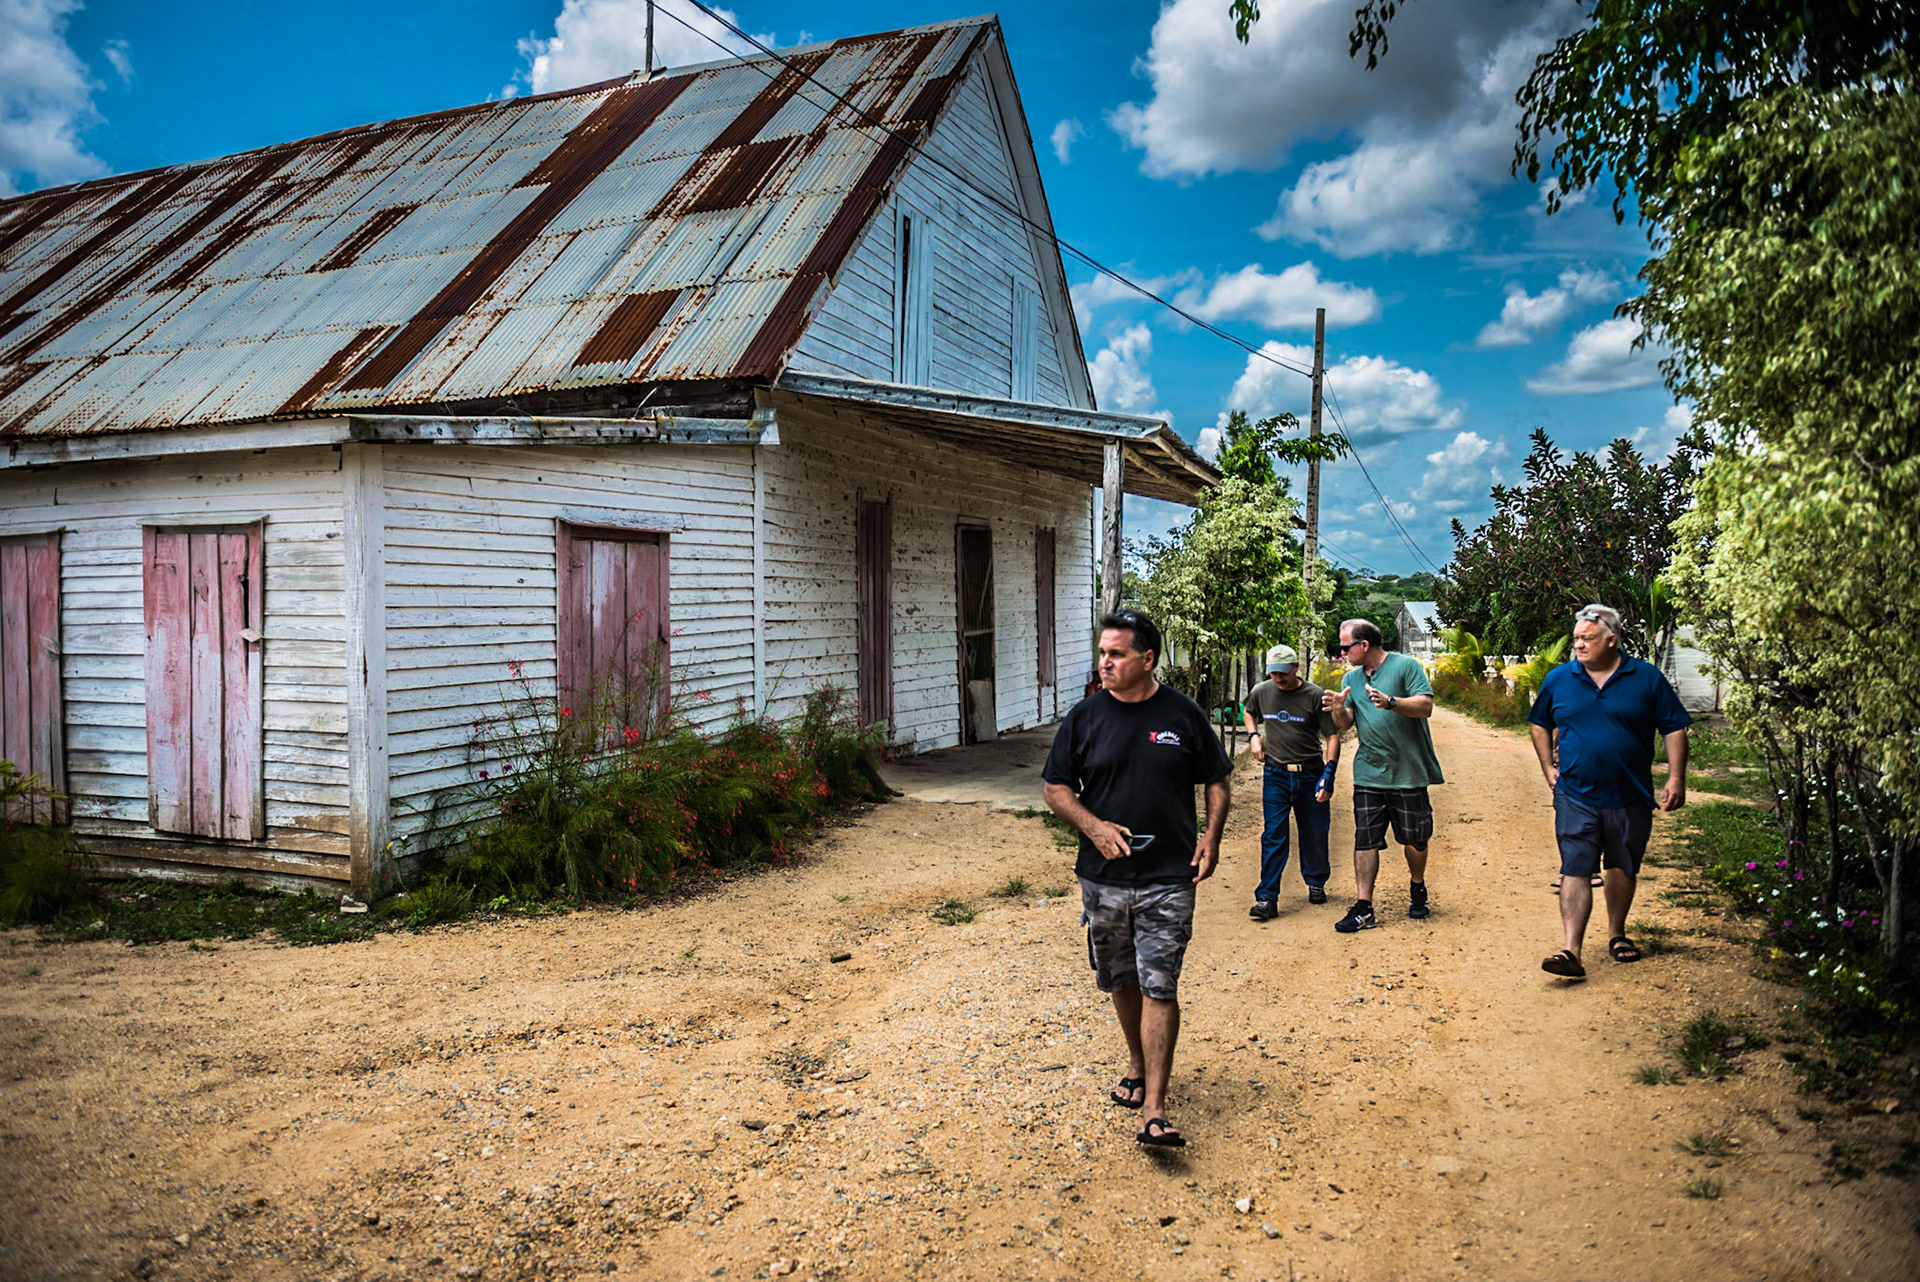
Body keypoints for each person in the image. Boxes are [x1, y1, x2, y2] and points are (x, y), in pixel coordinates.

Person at [1042, 610, 1232, 1148]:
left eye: (1116, 654)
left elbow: (1217, 780)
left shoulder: (1183, 714)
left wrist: (1211, 837)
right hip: (1103, 877)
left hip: (1169, 875)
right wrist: (1094, 826)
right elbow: (1055, 788)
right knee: (1121, 979)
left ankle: (1155, 1107)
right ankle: (1136, 1059)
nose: (1104, 663)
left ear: (1147, 659)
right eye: (1102, 653)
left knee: (1159, 982)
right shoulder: (1084, 718)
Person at [1528, 604, 1692, 980]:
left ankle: (1617, 933)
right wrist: (1548, 767)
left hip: (1630, 793)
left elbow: (1673, 728)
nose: (1579, 645)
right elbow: (1539, 723)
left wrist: (1676, 778)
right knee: (1575, 866)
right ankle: (1571, 950)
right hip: (1575, 792)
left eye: (1587, 639)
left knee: (1621, 865)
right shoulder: (1560, 679)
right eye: (1576, 639)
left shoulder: (1646, 678)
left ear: (1611, 640)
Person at [1321, 618, 1444, 932]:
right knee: (1365, 839)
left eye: (1346, 646)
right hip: (1369, 772)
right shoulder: (1351, 677)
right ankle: (1364, 907)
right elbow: (1346, 724)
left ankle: (1417, 886)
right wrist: (1338, 708)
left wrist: (1392, 702)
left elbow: (1425, 706)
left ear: (1364, 645)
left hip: (1408, 771)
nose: (1342, 652)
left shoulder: (1406, 667)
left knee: (1415, 838)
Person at [1241, 643, 1340, 919]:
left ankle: (1316, 881)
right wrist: (1253, 737)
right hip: (1276, 775)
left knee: (1315, 831)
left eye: (1283, 673)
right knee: (1273, 834)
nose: (1278, 678)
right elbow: (1248, 710)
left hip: (1310, 773)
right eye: (1273, 673)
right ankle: (1267, 898)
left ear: (1296, 667)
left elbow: (1332, 736)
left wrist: (1329, 775)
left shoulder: (1315, 695)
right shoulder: (1262, 691)